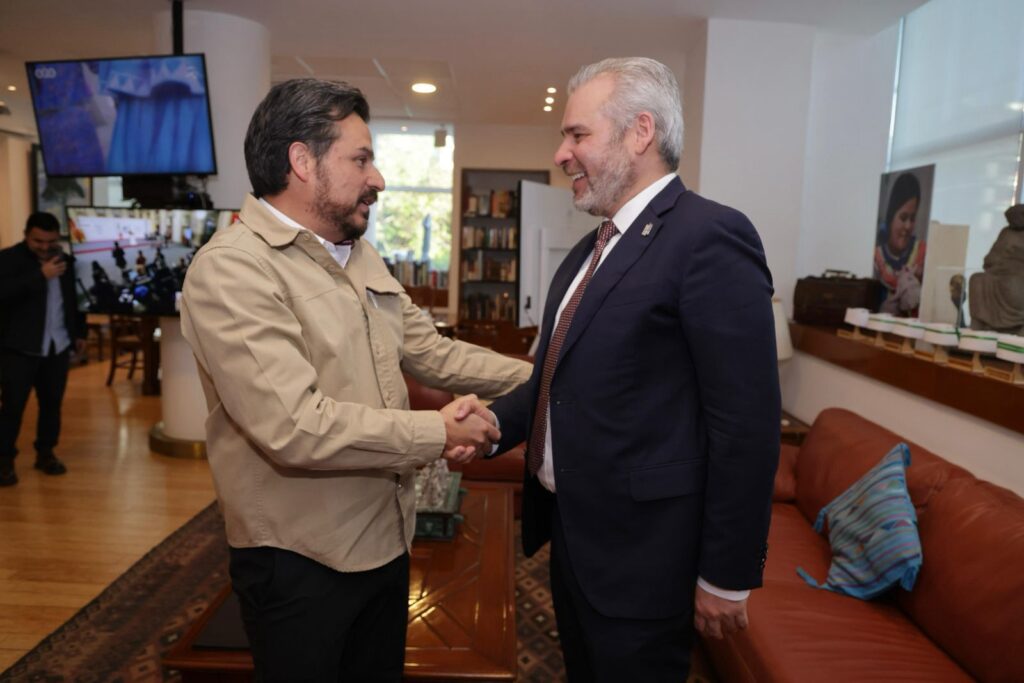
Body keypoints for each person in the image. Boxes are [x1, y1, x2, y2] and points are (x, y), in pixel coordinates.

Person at [179, 78, 531, 681]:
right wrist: (438, 432)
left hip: (385, 539)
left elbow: (430, 351)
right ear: (302, 161)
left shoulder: (356, 251)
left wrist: (549, 374)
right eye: (361, 159)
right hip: (300, 560)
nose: (379, 179)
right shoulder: (233, 270)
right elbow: (295, 426)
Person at [480, 58, 780, 681]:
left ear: (640, 132)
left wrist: (726, 574)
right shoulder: (586, 253)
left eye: (577, 135)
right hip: (575, 541)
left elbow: (745, 424)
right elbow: (553, 385)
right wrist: (488, 425)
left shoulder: (709, 236)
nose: (561, 154)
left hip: (645, 559)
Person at [0, 212, 87, 486]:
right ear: (26, 235)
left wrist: (79, 334)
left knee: (52, 405)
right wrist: (40, 275)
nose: (45, 247)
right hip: (19, 348)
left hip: (57, 346)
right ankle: (4, 461)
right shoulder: (7, 259)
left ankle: (46, 454)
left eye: (51, 241)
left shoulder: (67, 262)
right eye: (38, 241)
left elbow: (75, 301)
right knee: (12, 407)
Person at [874, 172, 926, 316]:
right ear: (891, 216)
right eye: (903, 218)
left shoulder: (923, 254)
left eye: (912, 218)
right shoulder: (876, 259)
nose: (908, 226)